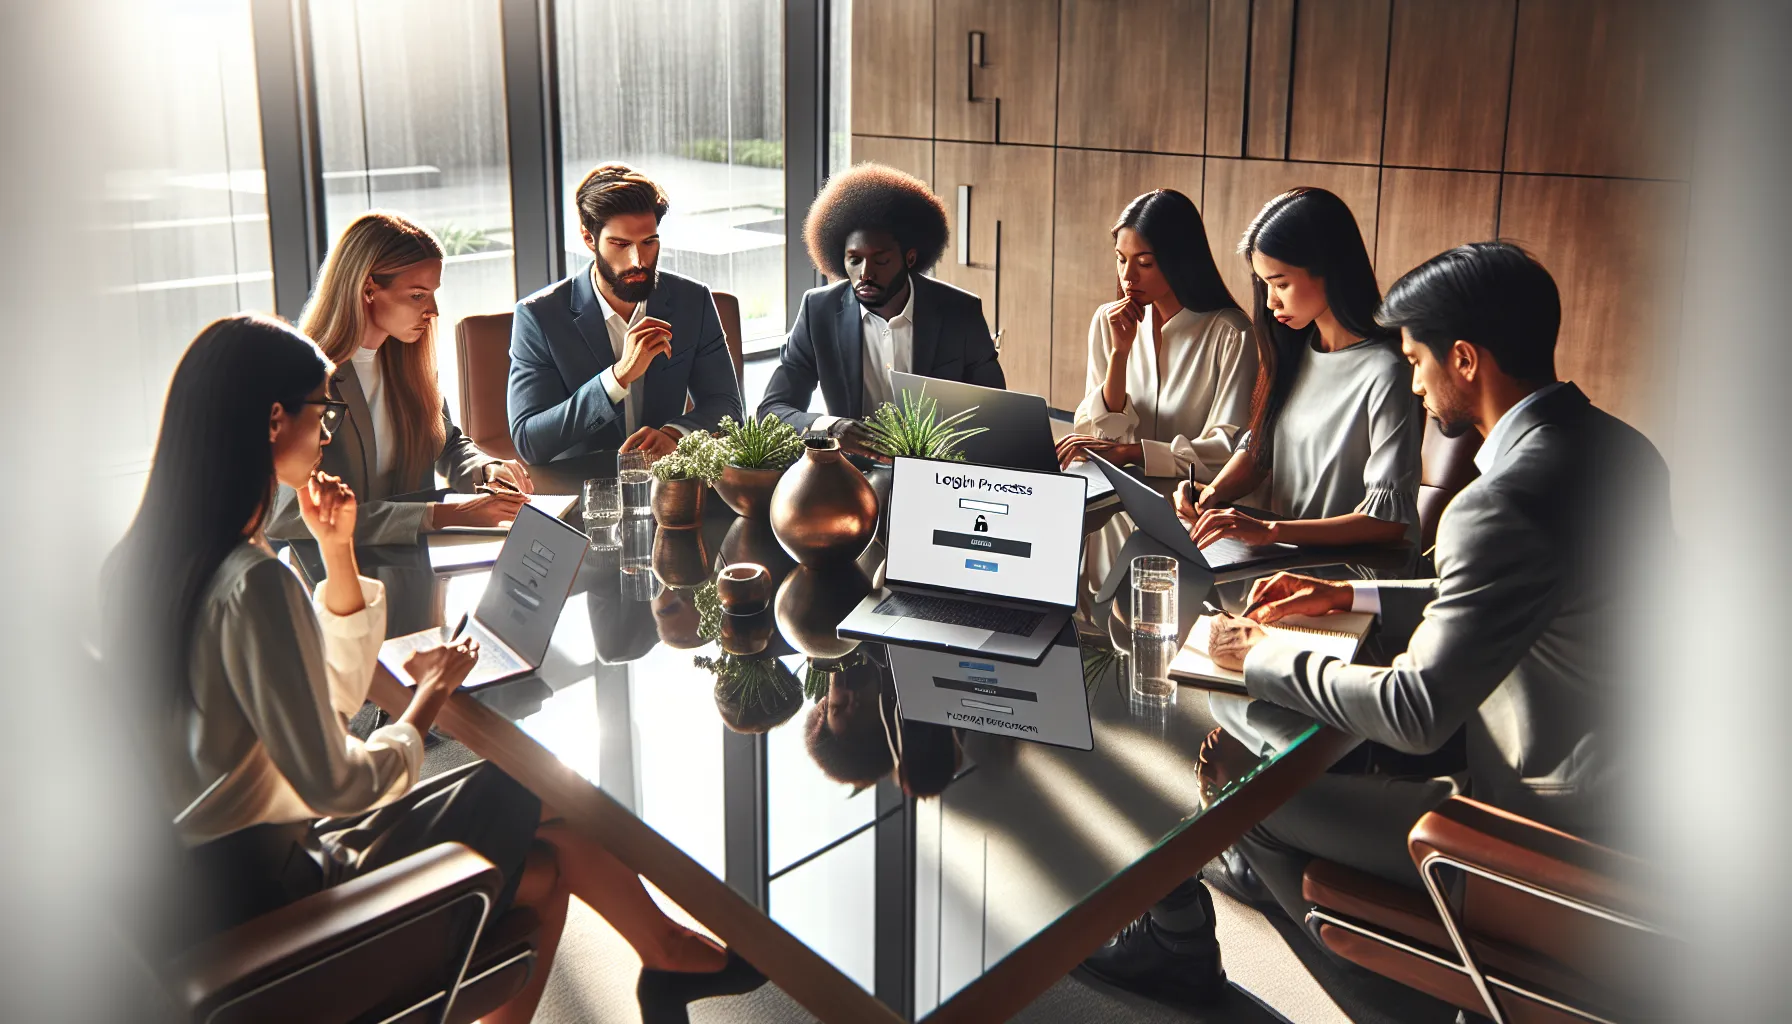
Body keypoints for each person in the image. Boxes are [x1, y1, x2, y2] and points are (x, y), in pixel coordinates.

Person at [108, 315, 761, 1023]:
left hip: (206, 891)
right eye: (324, 415)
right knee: (527, 787)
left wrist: (337, 554)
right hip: (280, 901)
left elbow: (322, 705)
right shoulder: (252, 583)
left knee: (543, 869)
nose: (328, 433)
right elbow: (340, 785)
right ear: (274, 419)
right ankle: (667, 950)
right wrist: (426, 700)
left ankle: (663, 950)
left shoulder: (148, 560)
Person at [1081, 243, 1668, 1009]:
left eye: (1419, 361)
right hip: (1632, 804)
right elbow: (1521, 596)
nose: (1417, 385)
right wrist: (1359, 601)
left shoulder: (1500, 500)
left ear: (1464, 359)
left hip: (1543, 834)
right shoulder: (1617, 448)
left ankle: (1362, 999)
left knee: (1242, 792)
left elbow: (1414, 713)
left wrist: (1257, 654)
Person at [1173, 187, 1422, 550]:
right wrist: (1211, 496)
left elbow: (1386, 523)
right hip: (1279, 558)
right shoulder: (1293, 349)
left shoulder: (1388, 371)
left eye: (1281, 284)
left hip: (1340, 572)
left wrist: (1271, 532)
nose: (1271, 301)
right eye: (1264, 285)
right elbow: (1260, 450)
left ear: (1330, 270)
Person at [267, 211, 532, 546]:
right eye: (418, 295)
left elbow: (446, 443)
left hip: (411, 562)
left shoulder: (409, 364)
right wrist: (444, 514)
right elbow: (288, 517)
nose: (433, 310)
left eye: (433, 293)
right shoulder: (303, 379)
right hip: (332, 572)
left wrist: (486, 469)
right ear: (367, 290)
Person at [757, 163, 1004, 452]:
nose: (865, 273)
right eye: (854, 259)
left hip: (938, 471)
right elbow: (773, 410)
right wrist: (831, 427)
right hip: (850, 476)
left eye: (881, 260)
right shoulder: (818, 311)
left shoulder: (960, 311)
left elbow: (998, 416)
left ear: (910, 258)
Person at [508, 163, 742, 464]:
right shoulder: (539, 317)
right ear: (588, 238)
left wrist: (674, 435)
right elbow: (529, 441)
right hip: (583, 490)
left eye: (649, 242)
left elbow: (728, 408)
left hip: (666, 487)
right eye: (620, 244)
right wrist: (618, 378)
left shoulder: (692, 301)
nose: (638, 261)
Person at [1055, 189, 1254, 480]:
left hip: (1188, 508)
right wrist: (1119, 355)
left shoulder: (1232, 335)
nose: (1128, 277)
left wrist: (1135, 453)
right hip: (1114, 494)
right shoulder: (1108, 321)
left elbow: (1226, 450)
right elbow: (1101, 435)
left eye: (1144, 263)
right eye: (1121, 259)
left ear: (1179, 260)